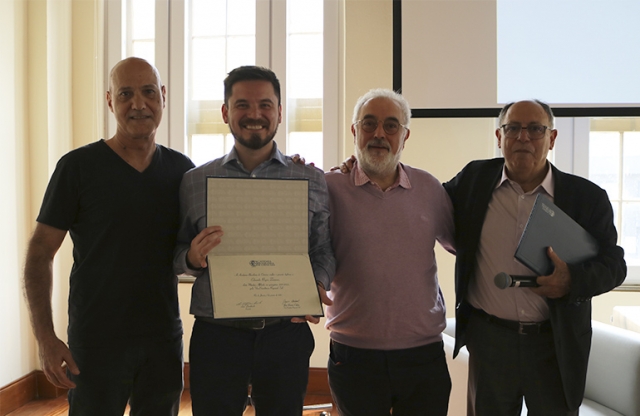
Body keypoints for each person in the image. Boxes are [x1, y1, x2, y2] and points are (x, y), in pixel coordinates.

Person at [22, 57, 194, 415]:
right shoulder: (77, 168)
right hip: (95, 343)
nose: (138, 104)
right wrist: (45, 338)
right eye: (125, 94)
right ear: (110, 101)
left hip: (162, 340)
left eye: (148, 92)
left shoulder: (182, 171)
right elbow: (40, 252)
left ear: (163, 96)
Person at [443, 99, 627, 416]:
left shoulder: (586, 197)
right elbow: (426, 200)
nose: (523, 137)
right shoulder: (474, 180)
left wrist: (572, 281)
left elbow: (614, 266)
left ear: (551, 138)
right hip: (490, 343)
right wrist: (363, 169)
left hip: (555, 345)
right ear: (499, 137)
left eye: (535, 129)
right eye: (513, 128)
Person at [173, 65, 335, 416]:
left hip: (285, 334)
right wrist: (191, 258)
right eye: (242, 104)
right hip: (216, 335)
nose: (255, 114)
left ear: (279, 112)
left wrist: (317, 284)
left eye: (265, 104)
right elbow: (176, 253)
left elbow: (323, 249)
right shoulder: (194, 181)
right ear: (225, 112)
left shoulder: (310, 178)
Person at [324, 89, 456, 416]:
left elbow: (462, 247)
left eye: (391, 125)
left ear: (405, 136)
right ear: (355, 131)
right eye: (369, 124)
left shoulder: (430, 189)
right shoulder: (329, 187)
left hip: (423, 355)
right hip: (354, 356)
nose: (379, 134)